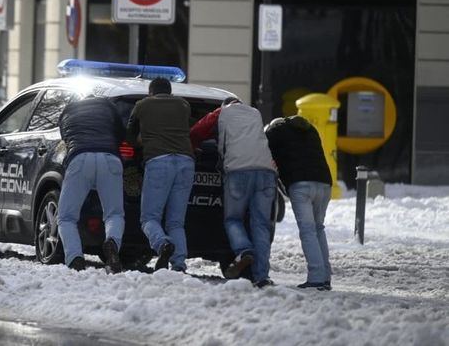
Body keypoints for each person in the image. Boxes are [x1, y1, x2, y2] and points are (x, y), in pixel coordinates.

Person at [190, 97, 277, 287]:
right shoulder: (255, 113)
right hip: (266, 172)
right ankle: (261, 277)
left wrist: (194, 148)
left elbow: (196, 132)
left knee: (233, 219)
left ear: (224, 106)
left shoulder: (222, 113)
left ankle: (244, 250)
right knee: (261, 224)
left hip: (239, 172)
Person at [127, 78, 194, 272]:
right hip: (186, 162)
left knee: (149, 218)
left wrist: (143, 140)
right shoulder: (183, 105)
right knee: (176, 221)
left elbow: (130, 136)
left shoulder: (142, 105)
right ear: (170, 91)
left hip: (158, 161)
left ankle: (162, 243)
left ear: (151, 92)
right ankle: (179, 264)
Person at [57, 95, 126, 273]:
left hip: (80, 157)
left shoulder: (68, 110)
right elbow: (120, 134)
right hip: (110, 157)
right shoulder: (110, 107)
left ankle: (75, 258)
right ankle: (112, 243)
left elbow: (65, 137)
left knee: (66, 217)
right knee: (114, 213)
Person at [265, 116, 333, 290]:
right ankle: (325, 277)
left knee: (308, 231)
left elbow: (264, 154)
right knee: (319, 228)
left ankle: (317, 277)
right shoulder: (310, 129)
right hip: (324, 183)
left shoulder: (275, 132)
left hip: (301, 185)